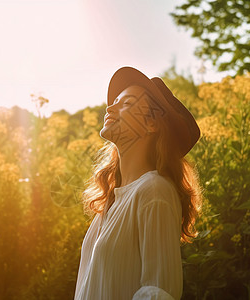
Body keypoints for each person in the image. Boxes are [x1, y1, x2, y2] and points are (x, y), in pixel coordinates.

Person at [74, 67, 202, 300]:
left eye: (127, 103)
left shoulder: (154, 191)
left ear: (152, 125)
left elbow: (158, 292)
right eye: (114, 101)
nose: (110, 107)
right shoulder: (111, 201)